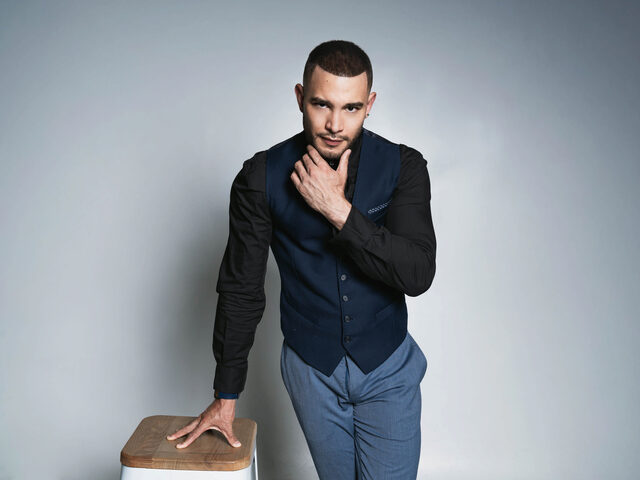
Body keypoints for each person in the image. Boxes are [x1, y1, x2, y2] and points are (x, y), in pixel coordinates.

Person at [167, 39, 437, 479]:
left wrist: (338, 211)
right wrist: (226, 394)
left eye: (351, 108)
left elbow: (418, 273)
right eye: (321, 104)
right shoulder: (260, 177)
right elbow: (241, 288)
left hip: (387, 366)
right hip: (311, 369)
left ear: (369, 105)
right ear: (300, 97)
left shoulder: (404, 167)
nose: (334, 124)